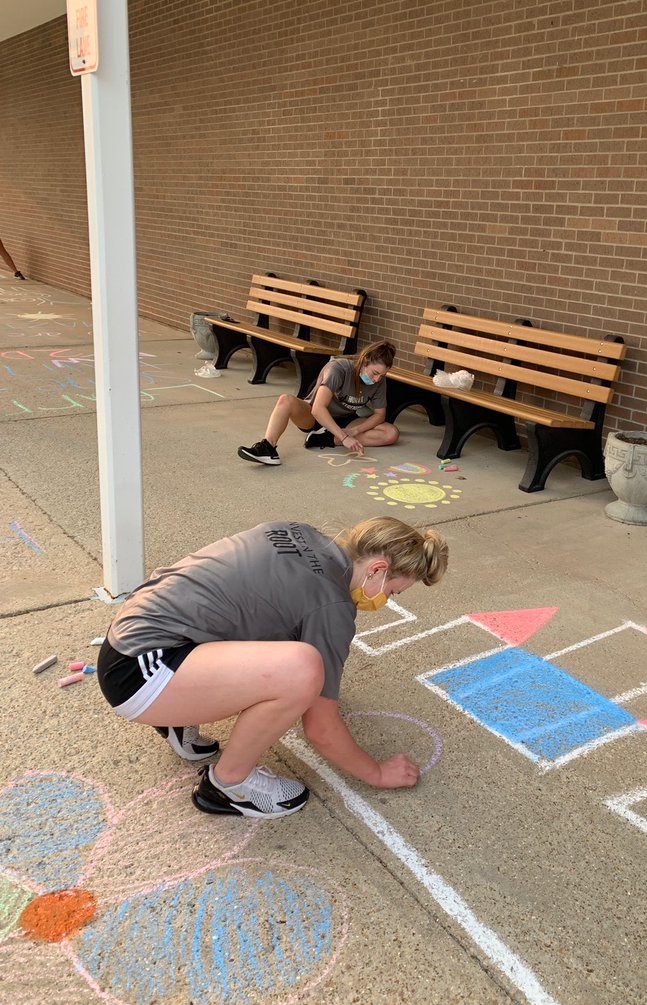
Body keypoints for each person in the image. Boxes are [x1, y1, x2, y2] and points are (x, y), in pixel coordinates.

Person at [96, 516, 449, 819]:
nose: (386, 601)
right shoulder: (333, 606)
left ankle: (178, 717)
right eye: (393, 592)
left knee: (260, 627)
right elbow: (320, 728)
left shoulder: (296, 531)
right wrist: (376, 773)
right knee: (303, 670)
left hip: (131, 636)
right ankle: (228, 785)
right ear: (377, 570)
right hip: (141, 676)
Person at [238, 339, 398, 466]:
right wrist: (344, 438)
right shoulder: (339, 369)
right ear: (364, 362)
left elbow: (379, 415)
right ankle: (268, 448)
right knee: (286, 400)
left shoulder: (378, 382)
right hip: (315, 417)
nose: (377, 379)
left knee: (391, 433)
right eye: (375, 373)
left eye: (382, 375)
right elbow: (318, 409)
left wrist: (355, 432)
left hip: (346, 419)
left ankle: (323, 439)